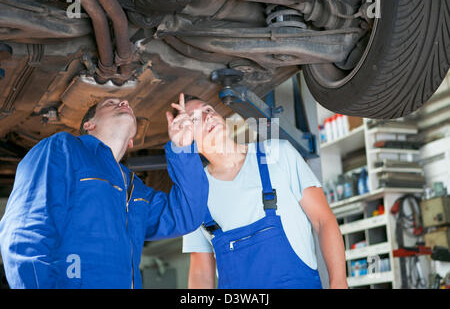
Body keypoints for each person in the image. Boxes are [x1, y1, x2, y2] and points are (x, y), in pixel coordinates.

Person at [0, 94, 208, 289]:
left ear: (131, 141)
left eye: (128, 106)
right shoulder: (62, 148)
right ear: (89, 125)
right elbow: (25, 231)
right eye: (110, 103)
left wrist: (183, 149)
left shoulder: (136, 189)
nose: (124, 102)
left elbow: (186, 215)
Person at [181, 95, 348, 289]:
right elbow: (201, 271)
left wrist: (339, 283)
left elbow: (323, 220)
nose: (207, 117)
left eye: (208, 110)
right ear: (185, 139)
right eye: (194, 119)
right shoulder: (193, 195)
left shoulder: (278, 154)